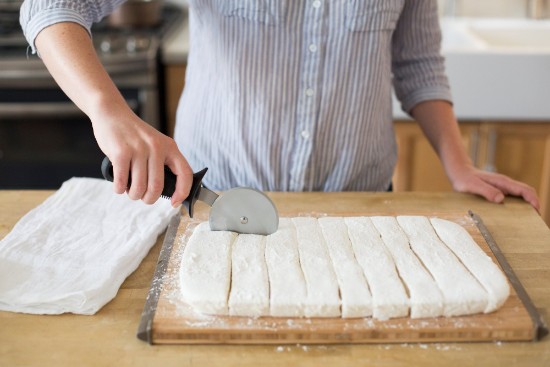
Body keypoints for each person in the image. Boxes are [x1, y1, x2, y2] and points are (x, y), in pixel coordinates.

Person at [20, 0, 540, 211]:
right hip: (213, 203)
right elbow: (50, 6)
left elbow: (418, 61)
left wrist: (457, 162)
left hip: (357, 204)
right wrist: (107, 110)